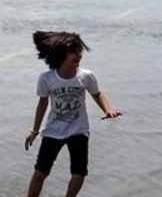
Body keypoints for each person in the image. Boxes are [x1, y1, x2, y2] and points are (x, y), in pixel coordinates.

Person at [25, 31, 121, 197]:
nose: (78, 55)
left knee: (79, 173)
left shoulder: (86, 76)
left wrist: (108, 109)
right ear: (60, 54)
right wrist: (34, 131)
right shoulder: (47, 78)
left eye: (79, 51)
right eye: (73, 52)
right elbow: (42, 103)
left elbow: (97, 94)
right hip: (53, 131)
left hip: (79, 130)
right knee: (41, 172)